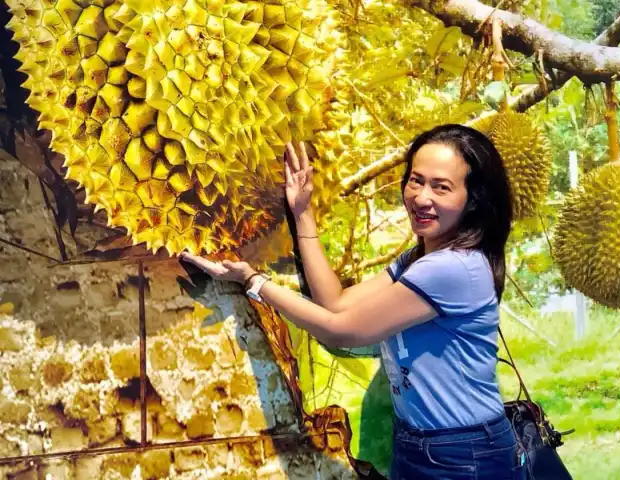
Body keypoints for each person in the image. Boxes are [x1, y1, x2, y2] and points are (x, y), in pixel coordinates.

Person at [180, 124, 525, 480]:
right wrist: (302, 211)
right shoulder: (417, 260)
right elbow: (336, 302)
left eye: (441, 187)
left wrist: (253, 281)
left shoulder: (452, 268)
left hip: (462, 455)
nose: (422, 197)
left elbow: (341, 331)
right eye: (416, 181)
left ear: (474, 199)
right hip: (420, 444)